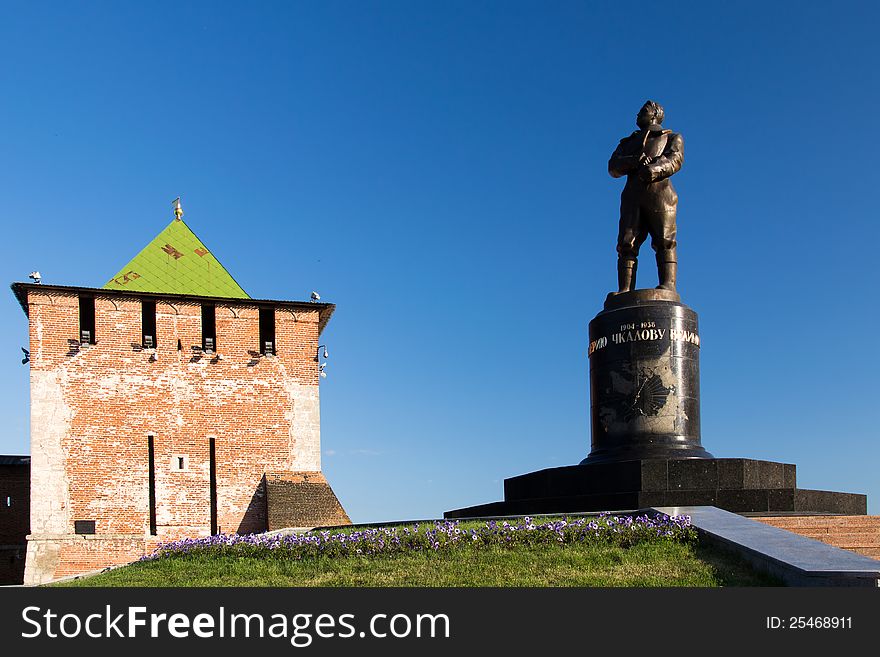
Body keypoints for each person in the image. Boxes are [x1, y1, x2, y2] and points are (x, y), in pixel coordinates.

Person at [608, 100, 683, 293]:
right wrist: (635, 160)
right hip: (632, 197)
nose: (638, 114)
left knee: (665, 240)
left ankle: (668, 285)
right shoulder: (627, 143)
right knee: (626, 243)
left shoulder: (671, 138)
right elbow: (613, 166)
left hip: (661, 195)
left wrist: (654, 169)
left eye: (644, 111)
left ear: (655, 114)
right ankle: (625, 290)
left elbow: (675, 160)